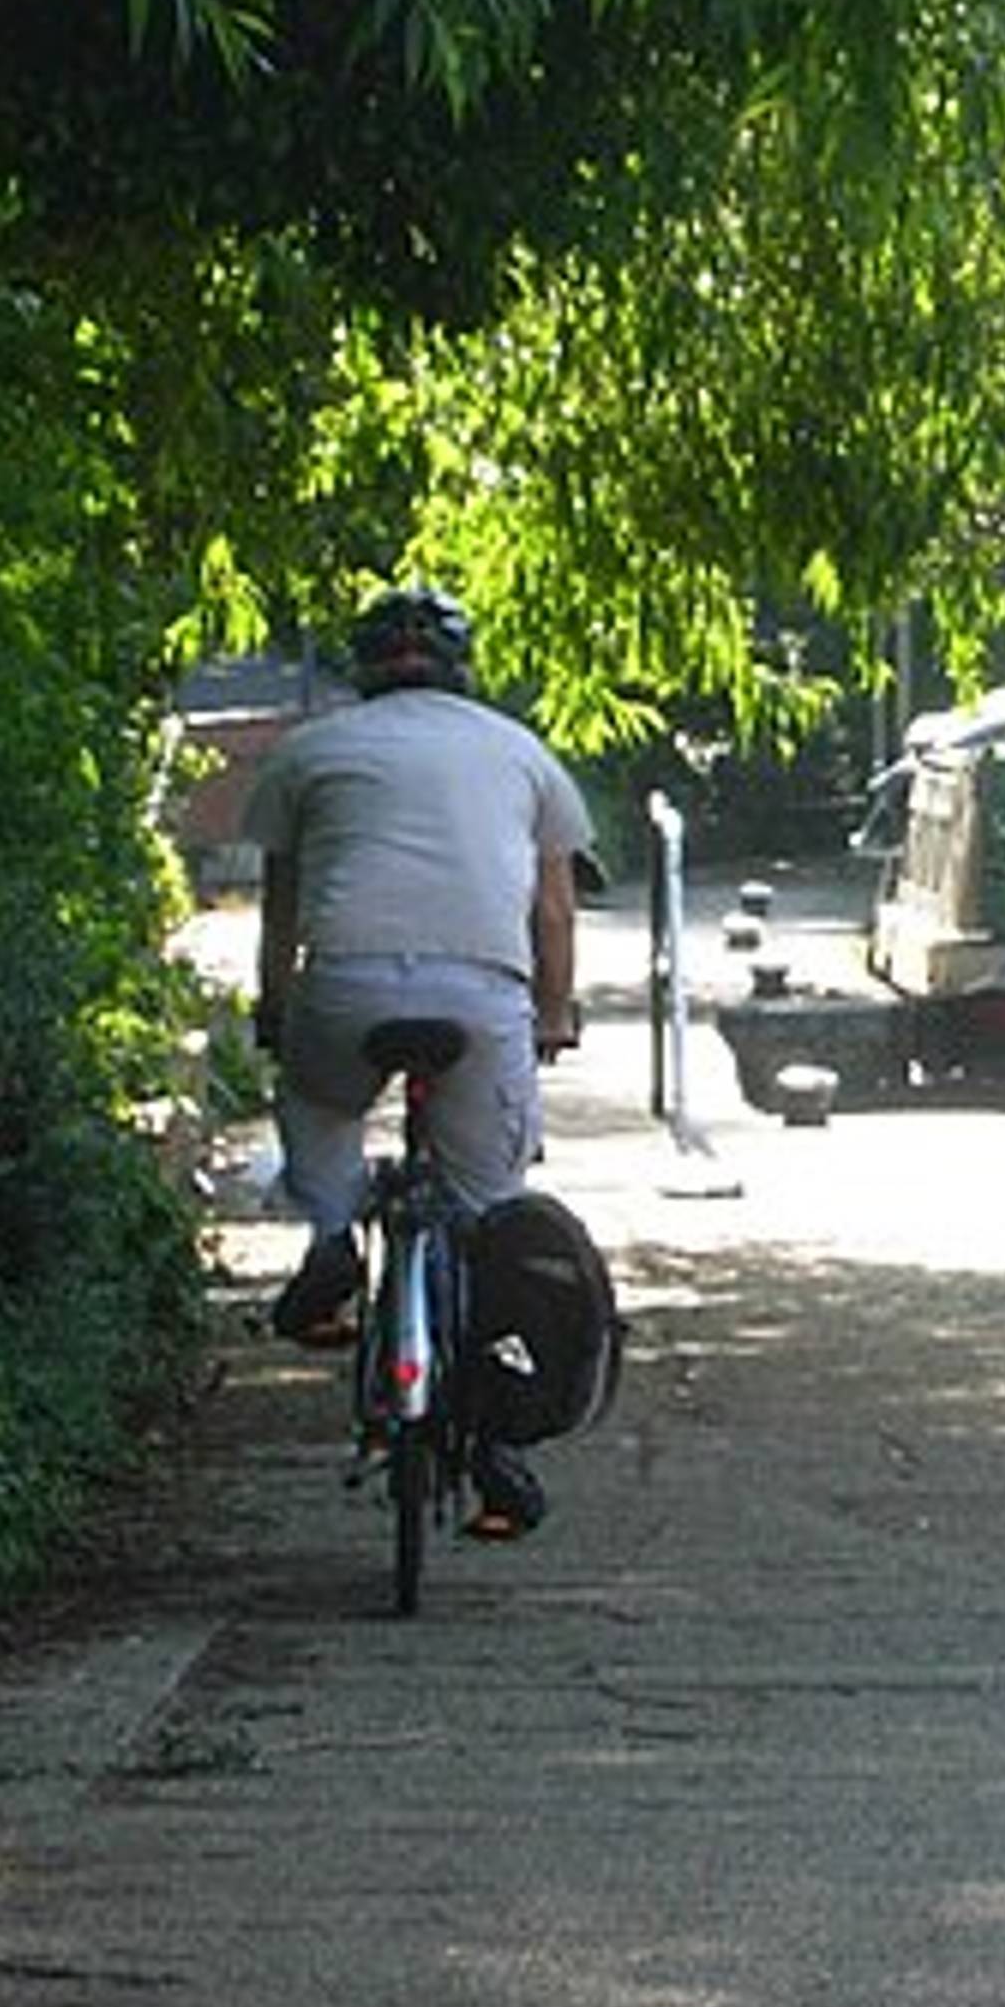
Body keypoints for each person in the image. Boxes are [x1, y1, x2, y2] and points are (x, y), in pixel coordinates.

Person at [241, 585, 593, 1537]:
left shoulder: (308, 751)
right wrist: (552, 1015)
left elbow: (283, 909)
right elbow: (553, 912)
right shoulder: (521, 752)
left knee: (320, 1106)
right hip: (481, 995)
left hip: (344, 984)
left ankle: (325, 1241)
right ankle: (494, 1447)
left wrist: (277, 1012)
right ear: (460, 666)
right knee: (486, 1219)